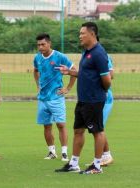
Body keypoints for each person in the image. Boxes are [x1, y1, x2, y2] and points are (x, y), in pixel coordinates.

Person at [55, 22, 111, 174]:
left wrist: (101, 91)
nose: (80, 36)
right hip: (83, 100)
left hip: (94, 100)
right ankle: (74, 164)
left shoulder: (99, 53)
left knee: (97, 132)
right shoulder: (87, 52)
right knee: (78, 130)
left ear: (92, 34)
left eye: (82, 33)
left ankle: (97, 166)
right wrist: (69, 72)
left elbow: (107, 79)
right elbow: (85, 73)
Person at [33, 33, 76, 161]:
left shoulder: (60, 56)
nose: (40, 47)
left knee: (61, 124)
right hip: (43, 98)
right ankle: (52, 152)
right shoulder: (37, 58)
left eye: (43, 44)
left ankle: (64, 152)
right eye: (38, 45)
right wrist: (38, 85)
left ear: (49, 43)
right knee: (46, 125)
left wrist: (68, 88)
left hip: (56, 97)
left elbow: (74, 70)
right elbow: (35, 71)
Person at [101, 55, 114, 166]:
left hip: (104, 98)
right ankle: (104, 156)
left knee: (99, 127)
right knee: (97, 127)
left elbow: (111, 75)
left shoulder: (102, 55)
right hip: (93, 97)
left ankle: (107, 156)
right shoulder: (85, 55)